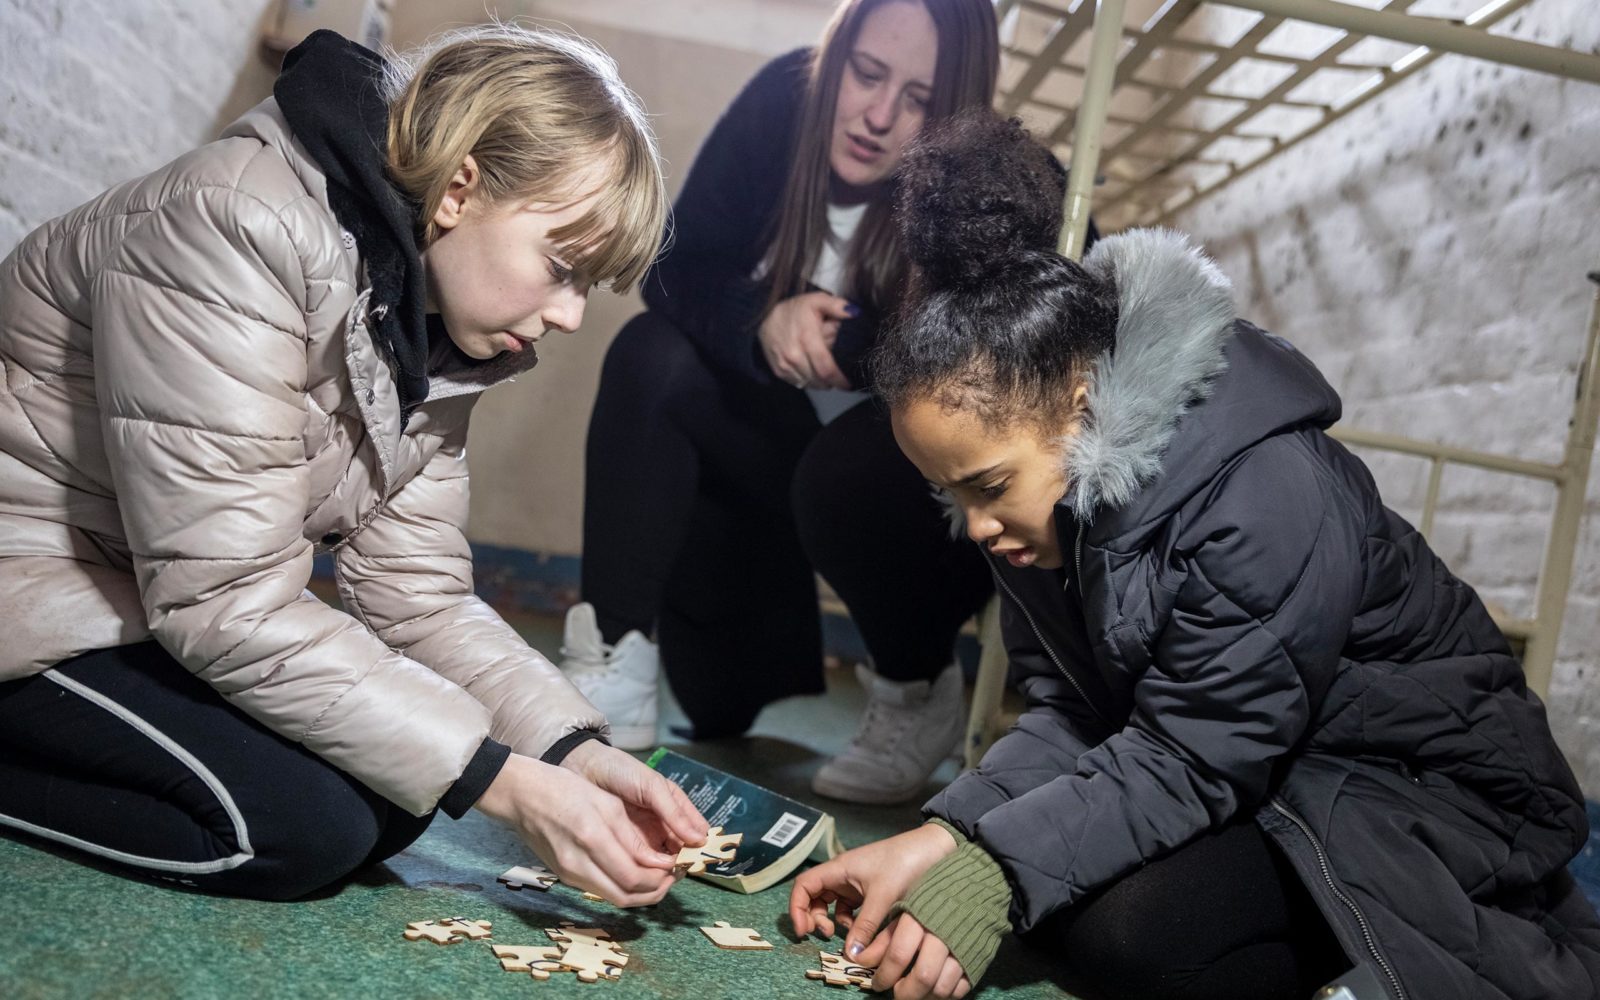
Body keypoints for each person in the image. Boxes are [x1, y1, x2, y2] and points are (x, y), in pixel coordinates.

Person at [788, 112, 1600, 999]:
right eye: (953, 495)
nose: (976, 525)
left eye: (986, 485)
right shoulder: (1044, 504)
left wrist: (991, 876)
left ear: (1081, 399)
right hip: (1264, 757)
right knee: (1083, 903)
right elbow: (1076, 710)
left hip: (1418, 788)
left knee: (1134, 937)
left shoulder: (1262, 488)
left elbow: (1193, 756)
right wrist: (944, 837)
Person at [0, 25, 708, 903]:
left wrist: (572, 752)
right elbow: (223, 598)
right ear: (457, 191)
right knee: (307, 826)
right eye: (561, 267)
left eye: (587, 286)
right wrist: (509, 787)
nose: (567, 316)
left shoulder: (433, 325)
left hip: (149, 599)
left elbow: (418, 594)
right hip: (34, 596)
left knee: (405, 790)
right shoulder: (233, 226)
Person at [562, 0, 1010, 805]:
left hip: (897, 498)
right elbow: (671, 266)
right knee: (649, 356)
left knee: (854, 465)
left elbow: (992, 359)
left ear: (956, 113)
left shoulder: (981, 181)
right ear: (835, 55)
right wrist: (759, 320)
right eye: (867, 75)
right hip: (765, 479)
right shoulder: (784, 98)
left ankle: (917, 687)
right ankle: (613, 662)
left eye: (917, 99)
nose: (878, 115)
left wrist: (860, 344)